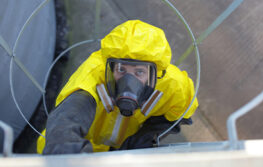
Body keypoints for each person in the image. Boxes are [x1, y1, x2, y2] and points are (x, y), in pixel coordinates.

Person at [37, 20, 198, 154]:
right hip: (89, 149)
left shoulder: (172, 85)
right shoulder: (93, 75)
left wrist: (146, 136)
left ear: (155, 74)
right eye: (121, 69)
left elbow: (183, 110)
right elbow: (65, 125)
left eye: (139, 72)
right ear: (110, 67)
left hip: (124, 152)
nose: (128, 81)